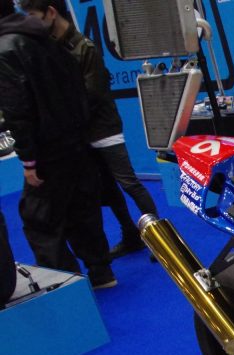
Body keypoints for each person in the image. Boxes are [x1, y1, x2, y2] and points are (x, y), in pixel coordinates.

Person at [20, 0, 157, 258]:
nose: (29, 22)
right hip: (79, 134)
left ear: (51, 12)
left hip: (104, 130)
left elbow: (93, 94)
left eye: (32, 15)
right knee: (108, 190)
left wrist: (63, 115)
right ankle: (130, 235)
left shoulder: (85, 48)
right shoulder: (50, 48)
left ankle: (161, 238)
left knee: (129, 183)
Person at [0, 0, 115, 288]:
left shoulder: (6, 50)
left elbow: (18, 109)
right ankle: (101, 273)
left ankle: (68, 286)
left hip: (47, 150)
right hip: (75, 142)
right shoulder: (44, 38)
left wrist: (29, 159)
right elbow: (78, 88)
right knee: (82, 211)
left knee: (40, 222)